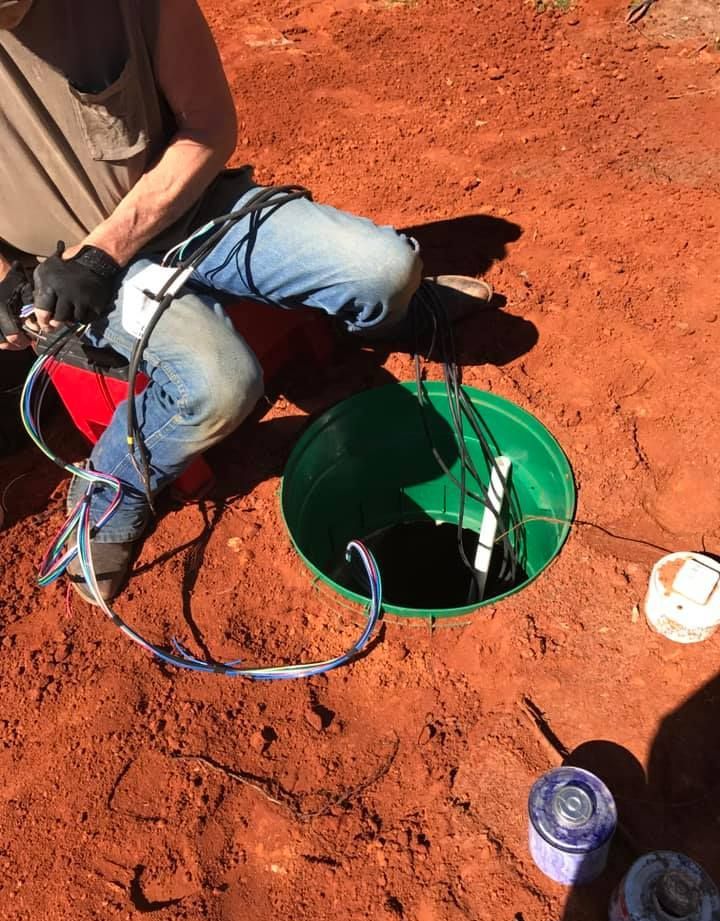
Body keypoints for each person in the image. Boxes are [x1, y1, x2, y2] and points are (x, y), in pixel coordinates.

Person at [0, 0, 493, 603]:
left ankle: (393, 319)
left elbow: (207, 126)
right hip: (61, 274)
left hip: (187, 209)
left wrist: (105, 251)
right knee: (221, 381)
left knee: (386, 270)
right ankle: (111, 492)